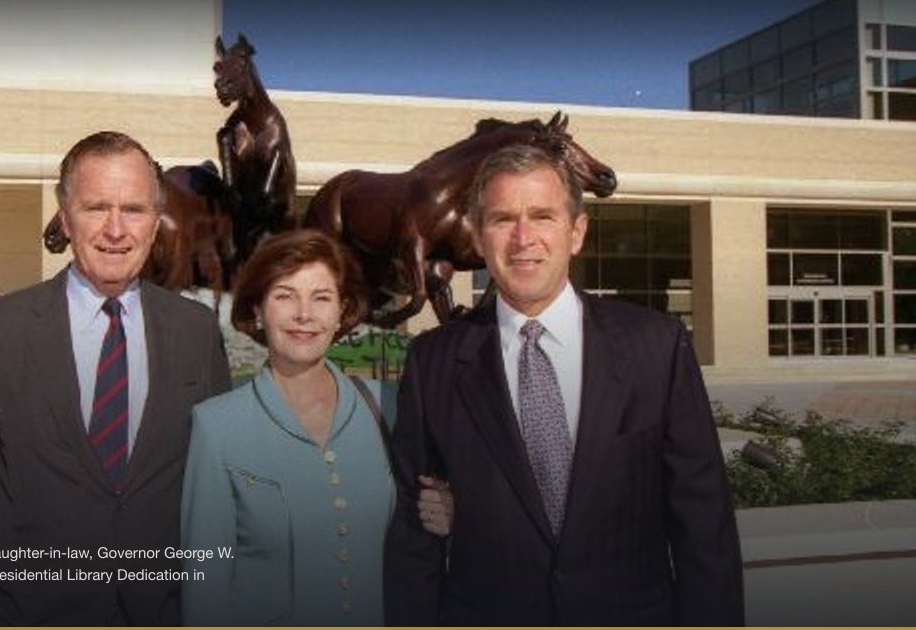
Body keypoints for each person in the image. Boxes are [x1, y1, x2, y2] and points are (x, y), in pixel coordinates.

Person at [384, 144, 744, 625]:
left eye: (543, 216)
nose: (523, 237)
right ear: (477, 236)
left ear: (576, 233)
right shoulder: (434, 362)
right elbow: (415, 535)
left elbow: (704, 525)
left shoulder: (656, 347)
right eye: (502, 219)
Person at [0, 131, 232, 625]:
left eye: (133, 209)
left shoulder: (195, 331)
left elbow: (218, 491)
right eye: (95, 208)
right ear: (65, 218)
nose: (116, 229)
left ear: (155, 222)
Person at [179, 229, 452, 626]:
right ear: (257, 310)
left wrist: (451, 514)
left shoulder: (391, 407)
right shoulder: (216, 426)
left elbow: (426, 539)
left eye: (321, 298)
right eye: (285, 295)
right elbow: (204, 591)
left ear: (342, 311)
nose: (304, 314)